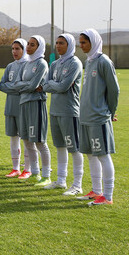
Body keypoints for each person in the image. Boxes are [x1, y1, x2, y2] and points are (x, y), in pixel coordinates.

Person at [76, 29, 119, 206]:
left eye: (84, 42)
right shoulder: (89, 61)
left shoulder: (103, 61)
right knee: (90, 154)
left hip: (98, 117)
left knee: (102, 155)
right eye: (80, 42)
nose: (81, 45)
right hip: (85, 116)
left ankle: (107, 196)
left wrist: (109, 111)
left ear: (93, 42)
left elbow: (114, 90)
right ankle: (96, 190)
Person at [41, 34, 84, 193]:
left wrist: (54, 84)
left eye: (62, 43)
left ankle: (77, 185)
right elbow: (45, 86)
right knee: (59, 147)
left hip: (69, 111)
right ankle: (61, 180)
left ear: (70, 45)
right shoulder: (55, 63)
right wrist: (55, 84)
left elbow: (64, 86)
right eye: (57, 43)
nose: (58, 46)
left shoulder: (75, 63)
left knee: (74, 148)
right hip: (54, 110)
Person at [12, 35, 51, 185]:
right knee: (27, 140)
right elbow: (17, 83)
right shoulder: (26, 64)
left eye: (32, 45)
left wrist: (23, 85)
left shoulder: (42, 64)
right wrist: (24, 85)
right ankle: (35, 173)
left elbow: (33, 85)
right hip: (23, 103)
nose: (28, 47)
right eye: (28, 44)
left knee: (39, 141)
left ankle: (46, 176)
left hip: (36, 103)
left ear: (39, 47)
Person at [0, 38, 30, 178]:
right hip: (10, 106)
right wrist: (15, 87)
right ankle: (15, 168)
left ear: (24, 49)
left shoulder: (29, 65)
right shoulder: (10, 66)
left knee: (26, 138)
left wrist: (13, 87)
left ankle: (27, 169)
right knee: (13, 137)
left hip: (23, 107)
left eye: (18, 48)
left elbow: (26, 86)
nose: (14, 51)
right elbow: (2, 85)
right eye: (13, 49)